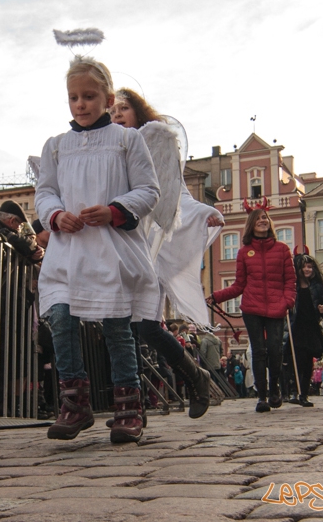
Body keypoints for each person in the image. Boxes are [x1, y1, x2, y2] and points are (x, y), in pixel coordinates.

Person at [35, 55, 160, 443]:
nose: (81, 104)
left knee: (116, 326)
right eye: (74, 97)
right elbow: (44, 192)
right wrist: (55, 215)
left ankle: (128, 406)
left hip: (110, 249)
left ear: (107, 99)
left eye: (89, 96)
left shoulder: (127, 139)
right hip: (67, 251)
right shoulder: (56, 147)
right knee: (60, 318)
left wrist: (113, 210)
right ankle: (75, 403)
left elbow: (148, 190)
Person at [108, 87, 219, 420]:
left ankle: (196, 375)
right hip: (116, 248)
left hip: (148, 250)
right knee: (118, 327)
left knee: (146, 328)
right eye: (112, 111)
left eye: (123, 109)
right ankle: (129, 406)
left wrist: (202, 213)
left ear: (138, 112)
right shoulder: (108, 150)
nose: (116, 115)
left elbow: (177, 193)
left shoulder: (153, 142)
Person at [208, 206, 296, 412]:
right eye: (258, 219)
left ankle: (275, 387)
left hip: (276, 306)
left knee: (275, 350)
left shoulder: (282, 249)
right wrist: (215, 297)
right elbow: (239, 285)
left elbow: (290, 281)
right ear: (252, 224)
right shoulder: (244, 252)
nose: (263, 221)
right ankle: (262, 396)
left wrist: (287, 302)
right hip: (252, 307)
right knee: (258, 351)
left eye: (265, 218)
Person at [285, 253, 323, 407]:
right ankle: (295, 391)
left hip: (311, 328)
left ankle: (303, 393)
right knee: (295, 361)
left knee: (307, 363)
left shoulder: (318, 286)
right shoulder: (292, 286)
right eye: (304, 266)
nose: (307, 269)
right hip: (296, 328)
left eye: (310, 266)